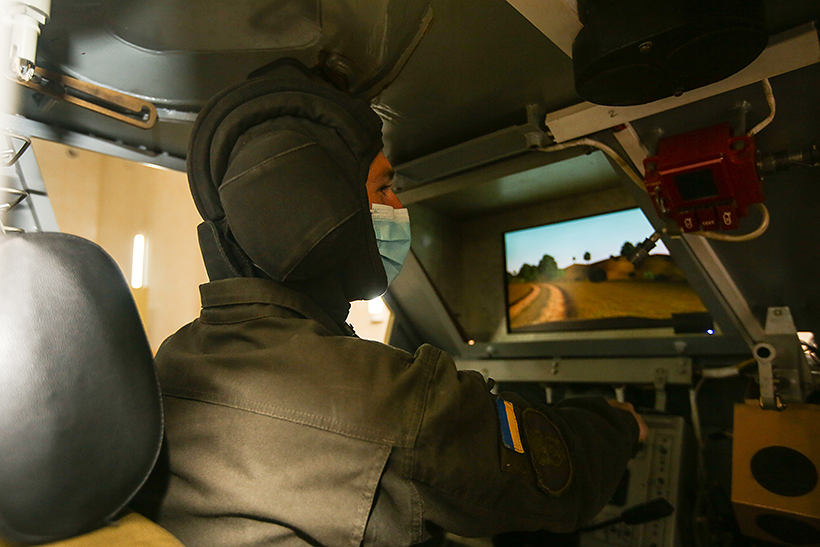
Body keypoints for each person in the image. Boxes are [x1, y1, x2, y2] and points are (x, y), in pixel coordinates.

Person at [148, 58, 647, 547]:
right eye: (384, 187)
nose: (399, 206)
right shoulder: (383, 398)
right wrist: (622, 423)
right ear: (324, 212)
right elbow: (561, 479)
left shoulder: (174, 357)